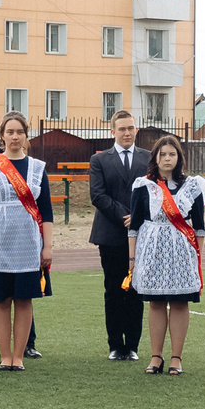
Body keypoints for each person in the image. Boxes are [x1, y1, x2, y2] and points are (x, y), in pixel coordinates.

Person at [0, 111, 52, 372]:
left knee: (24, 299)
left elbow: (47, 211)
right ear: (1, 136)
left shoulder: (38, 168)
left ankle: (19, 356)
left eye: (19, 132)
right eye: (10, 132)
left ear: (26, 135)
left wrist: (47, 246)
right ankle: (4, 355)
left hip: (29, 243)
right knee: (1, 300)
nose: (15, 136)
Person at [128, 133, 205, 374]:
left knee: (180, 302)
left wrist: (197, 256)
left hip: (182, 250)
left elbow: (200, 226)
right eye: (163, 154)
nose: (168, 158)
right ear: (156, 157)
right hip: (151, 250)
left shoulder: (193, 186)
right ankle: (155, 356)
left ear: (179, 157)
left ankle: (176, 358)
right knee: (156, 303)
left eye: (172, 154)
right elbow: (134, 226)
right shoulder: (143, 185)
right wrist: (132, 260)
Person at [86, 106, 146, 361]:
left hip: (143, 234)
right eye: (122, 129)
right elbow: (98, 196)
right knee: (113, 290)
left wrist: (139, 216)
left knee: (136, 290)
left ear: (136, 129)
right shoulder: (99, 160)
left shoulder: (148, 158)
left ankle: (132, 345)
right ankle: (115, 345)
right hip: (111, 234)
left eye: (131, 128)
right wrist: (126, 216)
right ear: (113, 131)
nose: (127, 133)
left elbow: (156, 192)